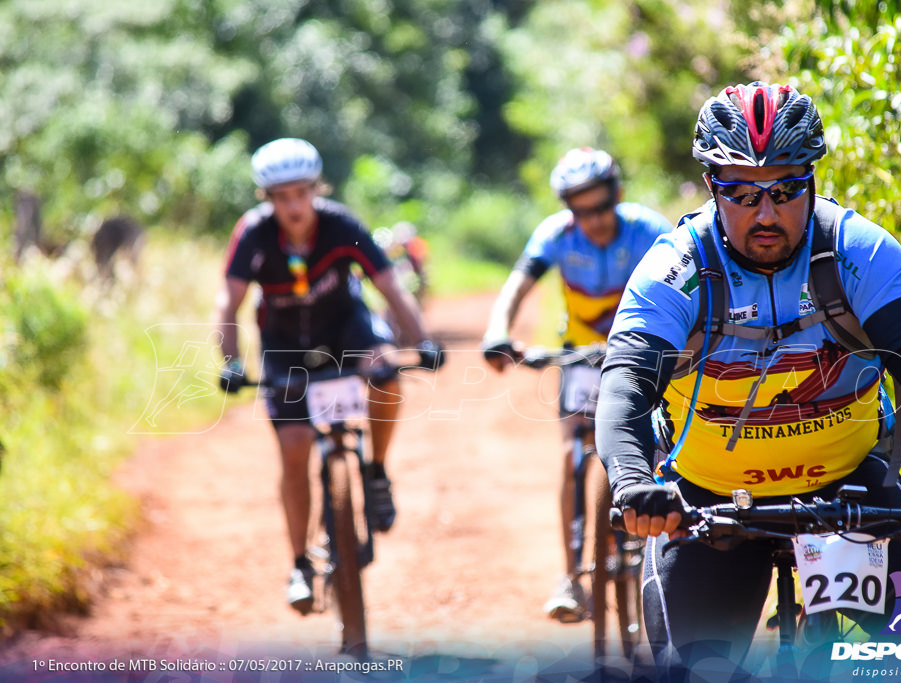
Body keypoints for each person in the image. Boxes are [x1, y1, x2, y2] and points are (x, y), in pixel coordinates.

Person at [595, 82, 901, 670]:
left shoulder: (858, 250)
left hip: (854, 493)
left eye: (786, 189)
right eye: (742, 193)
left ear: (812, 182)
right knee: (691, 671)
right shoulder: (677, 265)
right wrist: (632, 483)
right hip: (711, 504)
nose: (765, 213)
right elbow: (625, 385)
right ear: (712, 190)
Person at [216, 137, 444, 615]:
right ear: (267, 199)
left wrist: (420, 340)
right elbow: (229, 303)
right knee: (294, 447)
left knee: (385, 373)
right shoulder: (253, 235)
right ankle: (300, 563)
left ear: (316, 190)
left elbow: (390, 287)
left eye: (301, 193)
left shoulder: (342, 225)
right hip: (283, 344)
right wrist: (232, 363)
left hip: (347, 330)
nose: (293, 206)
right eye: (281, 197)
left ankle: (377, 471)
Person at [481, 147, 673, 621]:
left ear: (617, 195)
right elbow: (517, 284)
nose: (593, 219)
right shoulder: (556, 235)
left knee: (662, 447)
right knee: (572, 455)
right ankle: (570, 576)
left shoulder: (649, 229)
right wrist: (498, 332)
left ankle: (667, 555)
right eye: (580, 210)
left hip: (642, 356)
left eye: (601, 206)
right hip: (583, 358)